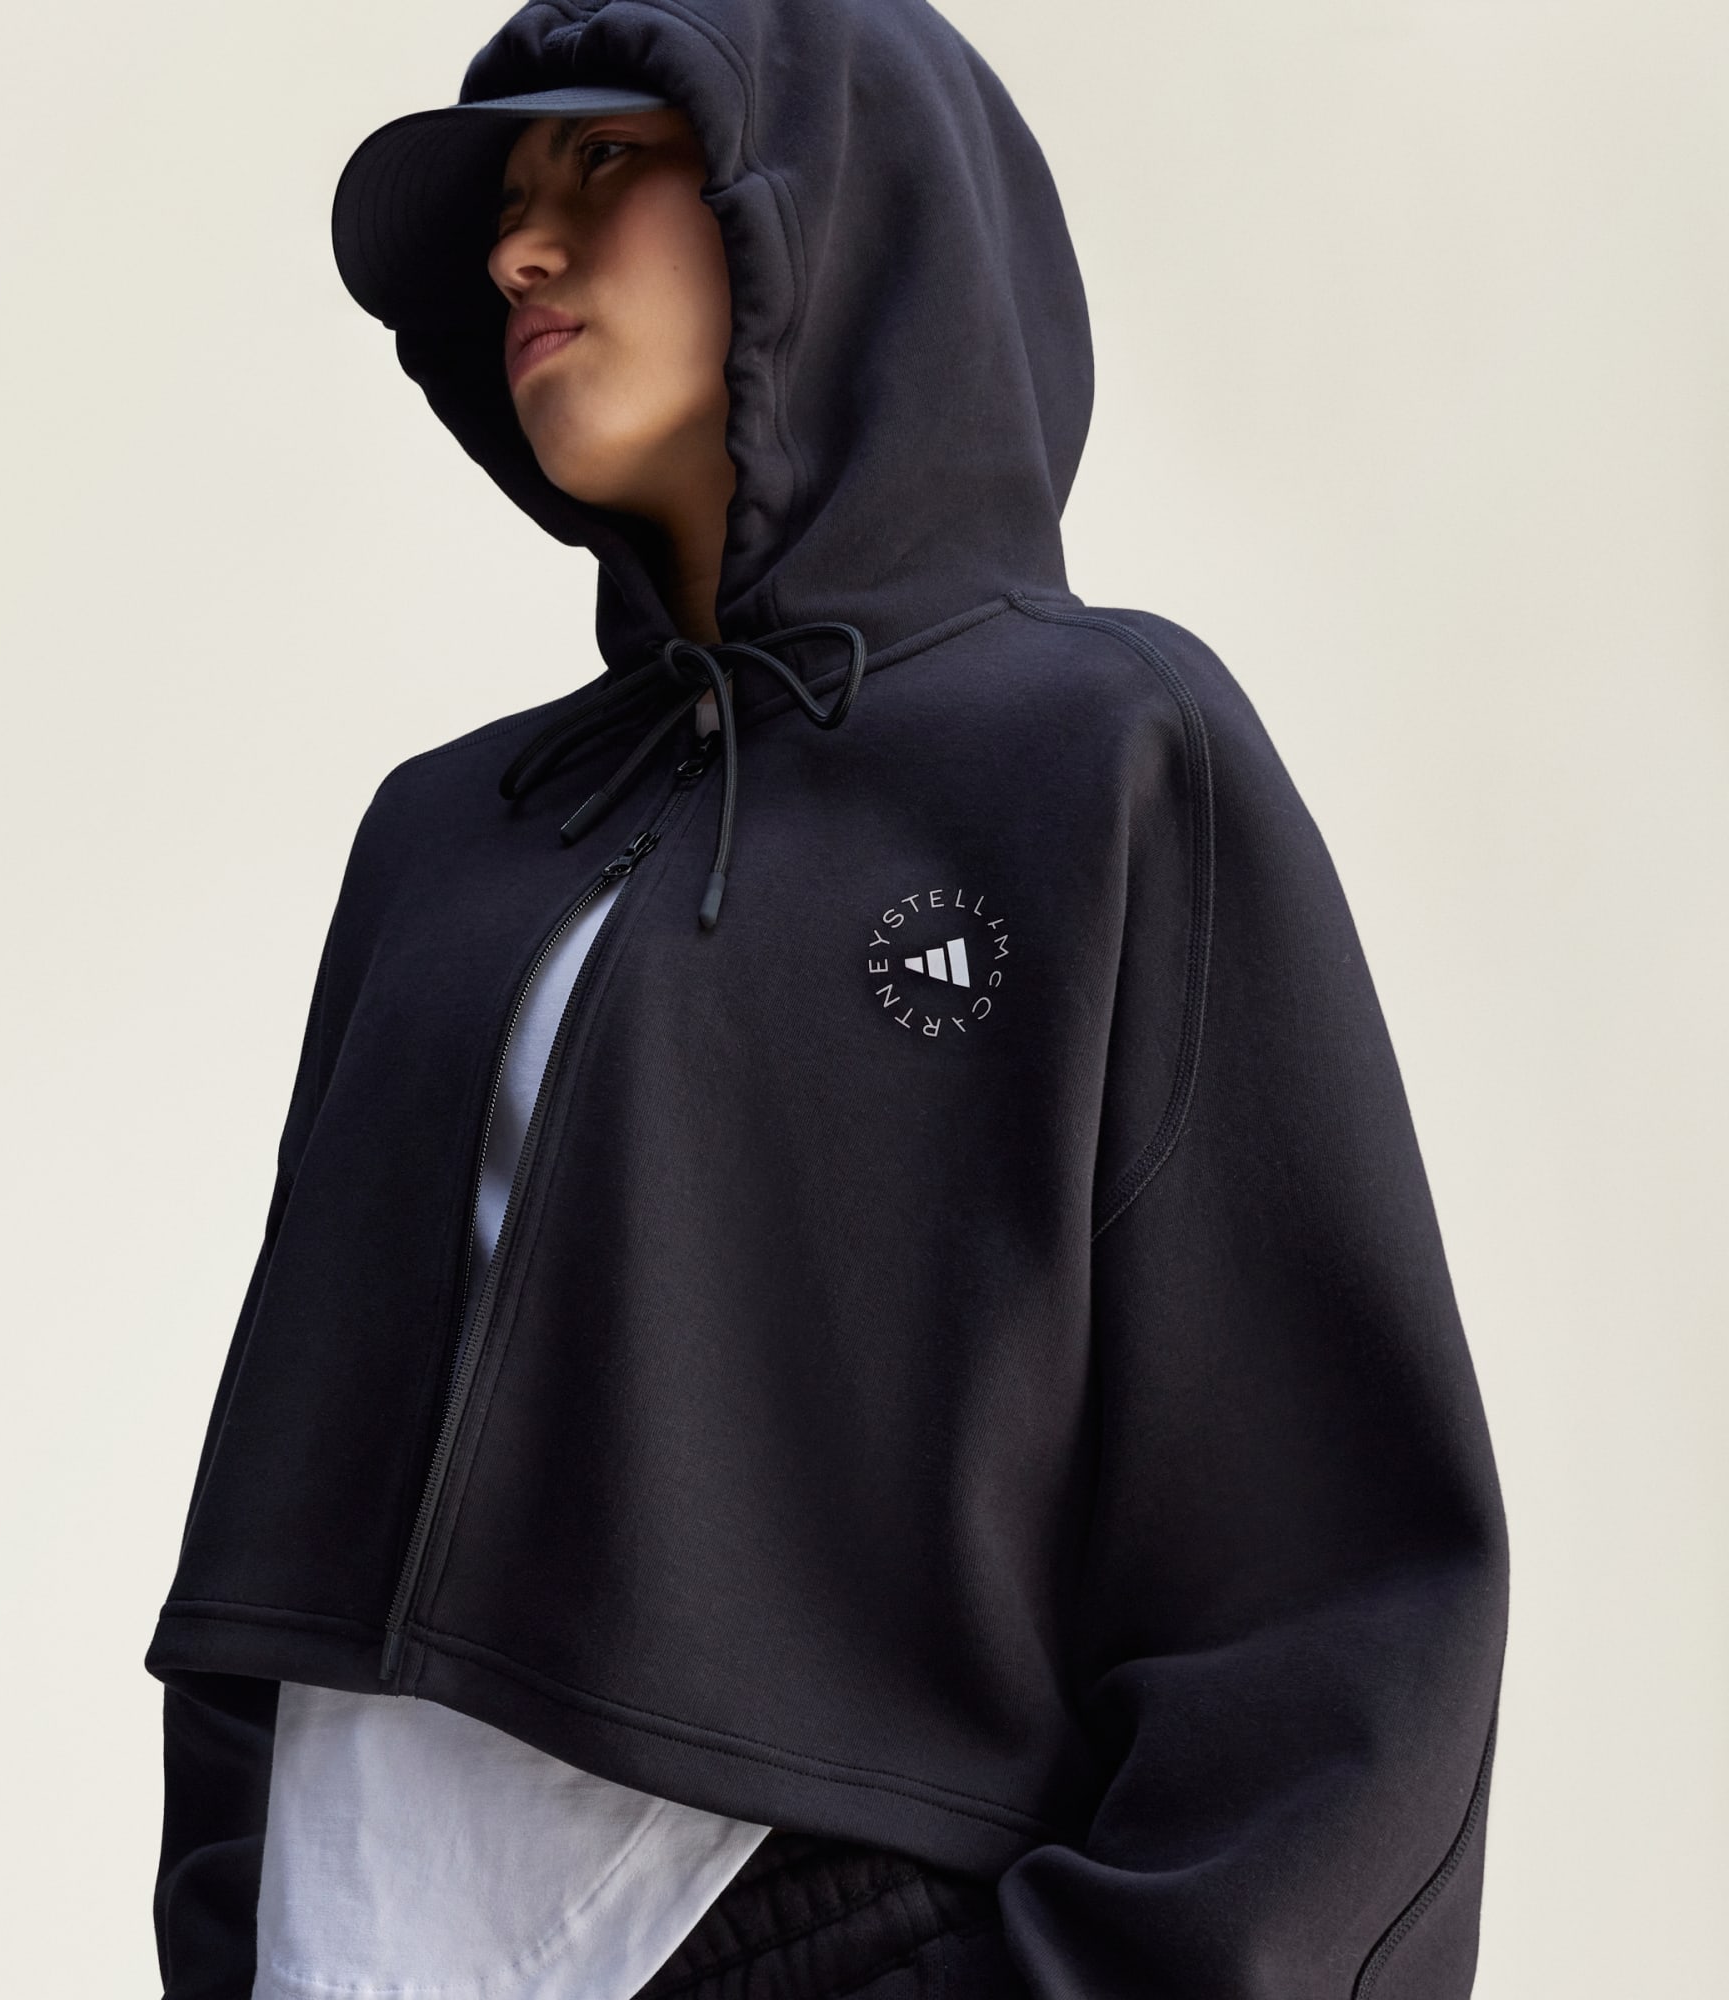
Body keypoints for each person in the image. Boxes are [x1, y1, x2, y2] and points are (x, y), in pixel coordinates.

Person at [146, 2, 1511, 1997]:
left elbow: (1335, 1586)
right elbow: (278, 1515)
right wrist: (232, 1921)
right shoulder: (448, 838)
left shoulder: (1102, 760)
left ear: (831, 209)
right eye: (507, 195)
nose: (519, 246)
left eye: (603, 160)